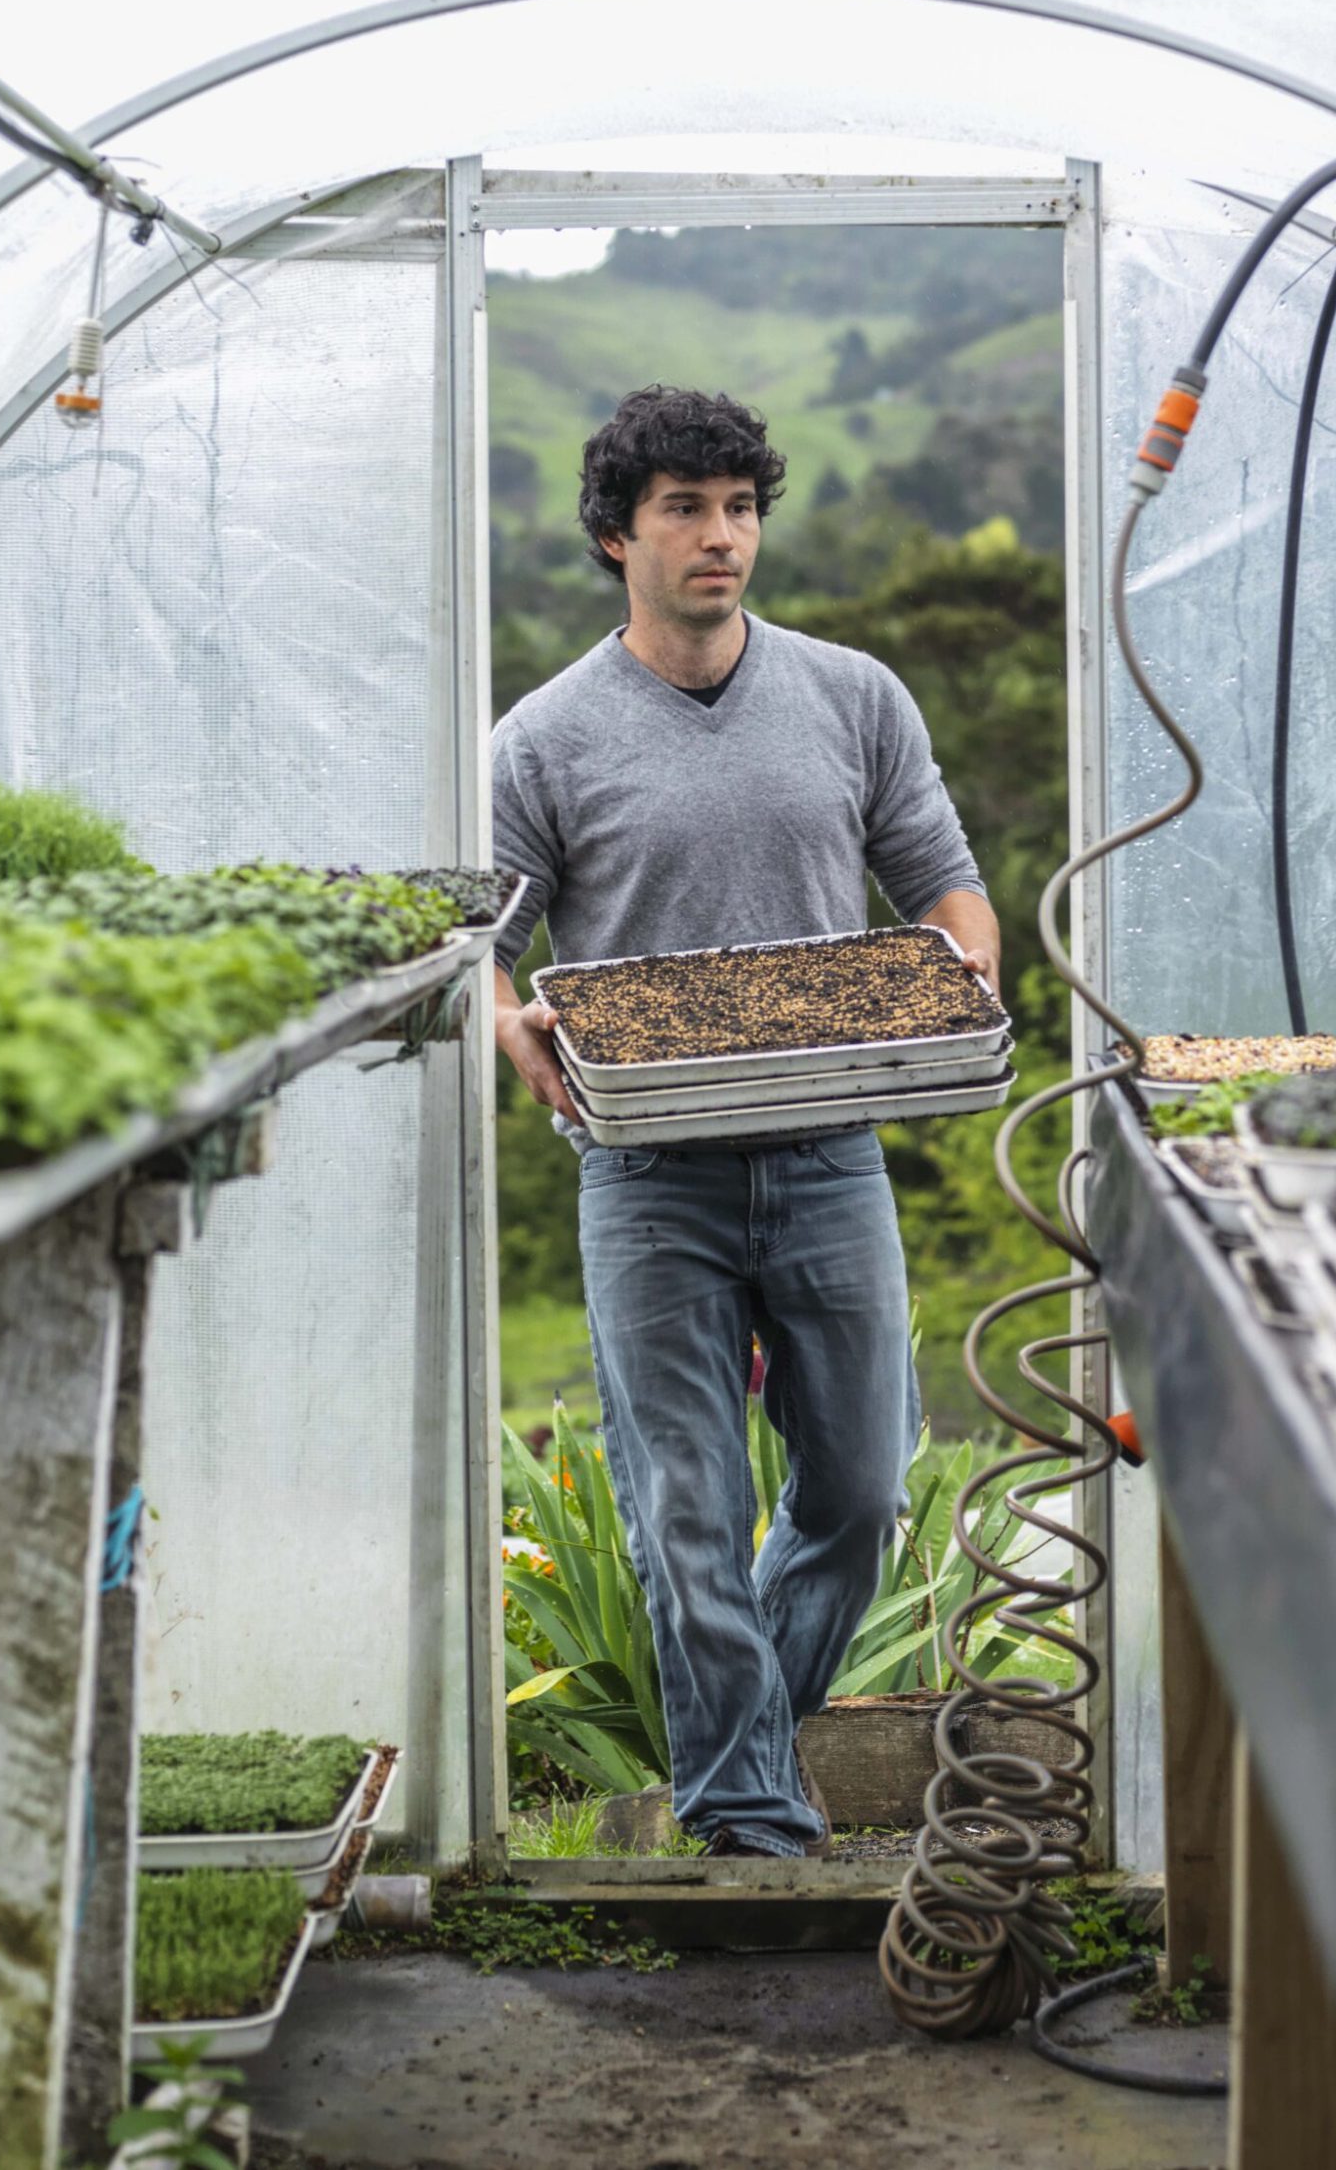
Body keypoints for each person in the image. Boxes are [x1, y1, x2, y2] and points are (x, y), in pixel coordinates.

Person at [490, 384, 999, 1856]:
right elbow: (488, 950)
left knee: (854, 1489)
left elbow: (944, 886)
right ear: (615, 537)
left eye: (740, 508)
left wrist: (959, 966)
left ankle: (739, 1761)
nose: (722, 538)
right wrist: (512, 1024)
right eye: (685, 510)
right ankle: (751, 1830)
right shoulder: (545, 740)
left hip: (833, 1147)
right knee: (686, 1519)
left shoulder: (854, 697)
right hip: (648, 1168)